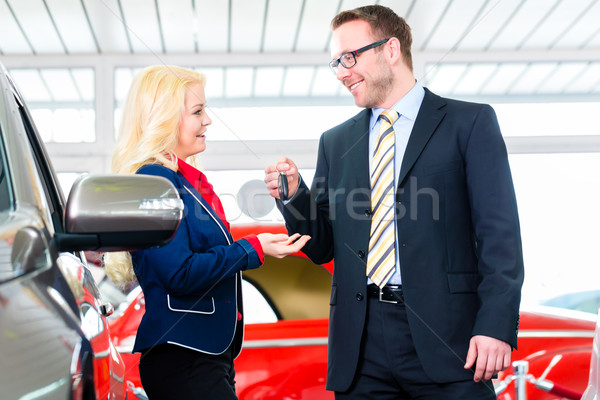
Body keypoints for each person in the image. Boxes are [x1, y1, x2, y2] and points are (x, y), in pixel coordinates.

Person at [264, 5, 524, 399]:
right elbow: (320, 247)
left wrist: (495, 326)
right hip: (361, 344)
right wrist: (293, 195)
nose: (341, 72)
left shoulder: (468, 123)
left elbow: (500, 237)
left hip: (450, 340)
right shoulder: (335, 143)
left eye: (349, 58)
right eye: (335, 62)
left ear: (390, 50)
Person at [104, 65, 310, 400]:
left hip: (207, 354)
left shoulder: (184, 182)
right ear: (165, 118)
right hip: (184, 357)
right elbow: (179, 273)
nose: (208, 121)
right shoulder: (155, 182)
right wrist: (253, 248)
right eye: (197, 112)